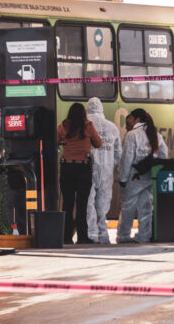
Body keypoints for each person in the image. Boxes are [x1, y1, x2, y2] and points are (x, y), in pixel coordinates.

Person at [117, 109, 168, 243]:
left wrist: (122, 178)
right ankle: (144, 236)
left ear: (137, 119)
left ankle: (124, 236)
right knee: (146, 208)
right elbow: (164, 154)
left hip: (134, 176)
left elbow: (126, 159)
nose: (127, 121)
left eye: (130, 118)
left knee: (128, 207)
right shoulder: (155, 135)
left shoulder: (132, 135)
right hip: (149, 176)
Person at [57, 103, 102, 244]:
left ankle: (66, 237)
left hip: (67, 168)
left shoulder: (63, 126)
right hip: (83, 169)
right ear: (83, 113)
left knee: (67, 204)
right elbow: (99, 143)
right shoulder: (88, 126)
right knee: (82, 205)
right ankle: (82, 237)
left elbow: (54, 141)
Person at [86, 97, 122, 244]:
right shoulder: (112, 127)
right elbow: (118, 153)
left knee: (89, 202)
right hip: (107, 170)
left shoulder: (86, 125)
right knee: (103, 203)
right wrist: (111, 165)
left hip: (89, 168)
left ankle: (91, 234)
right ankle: (103, 235)